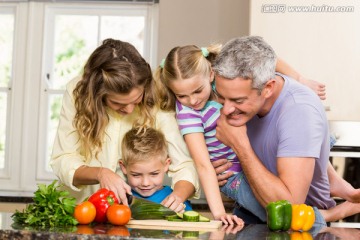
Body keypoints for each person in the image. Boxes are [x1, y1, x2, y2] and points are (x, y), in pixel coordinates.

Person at [154, 43, 329, 225]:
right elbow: (203, 165)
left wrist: (300, 79)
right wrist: (220, 214)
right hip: (232, 175)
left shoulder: (225, 77)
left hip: (254, 158)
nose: (192, 100)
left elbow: (266, 58)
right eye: (181, 96)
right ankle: (326, 216)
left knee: (316, 139)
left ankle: (338, 186)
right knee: (276, 215)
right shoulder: (187, 113)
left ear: (211, 74)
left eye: (198, 91)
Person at [212, 35, 360, 225]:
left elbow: (287, 209)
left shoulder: (299, 111)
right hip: (249, 212)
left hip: (300, 225)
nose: (226, 110)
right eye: (222, 97)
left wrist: (240, 146)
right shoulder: (243, 86)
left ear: (268, 88)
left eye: (238, 101)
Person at [50, 39, 200, 212]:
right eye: (118, 104)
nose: (129, 110)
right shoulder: (77, 92)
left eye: (137, 100)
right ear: (98, 95)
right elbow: (63, 159)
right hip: (81, 208)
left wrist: (178, 196)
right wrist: (101, 173)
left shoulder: (157, 95)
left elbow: (184, 165)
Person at [119, 127, 193, 212]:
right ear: (123, 167)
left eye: (154, 174)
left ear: (166, 165)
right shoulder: (120, 198)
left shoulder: (176, 200)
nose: (145, 183)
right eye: (136, 175)